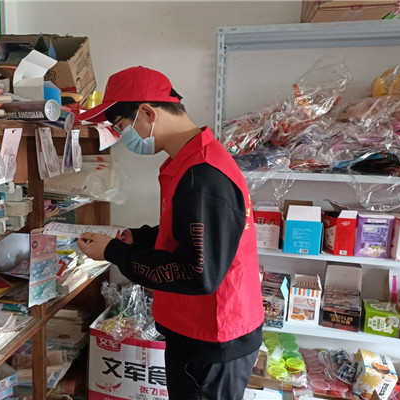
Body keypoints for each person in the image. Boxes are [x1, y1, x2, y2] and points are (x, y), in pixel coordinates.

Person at [76, 66, 264, 400]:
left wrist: (113, 253)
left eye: (121, 126)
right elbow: (190, 234)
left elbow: (196, 273)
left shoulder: (200, 176)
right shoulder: (192, 160)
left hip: (213, 335)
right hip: (203, 328)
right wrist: (140, 238)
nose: (121, 137)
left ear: (148, 113)